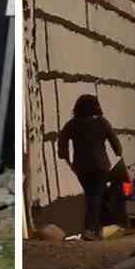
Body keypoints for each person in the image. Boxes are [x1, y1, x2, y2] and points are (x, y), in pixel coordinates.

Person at [57, 94, 122, 239]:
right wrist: (118, 153)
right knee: (95, 196)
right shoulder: (102, 122)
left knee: (93, 195)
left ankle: (98, 229)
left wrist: (68, 160)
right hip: (101, 167)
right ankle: (89, 229)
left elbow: (62, 144)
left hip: (82, 168)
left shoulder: (72, 124)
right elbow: (116, 144)